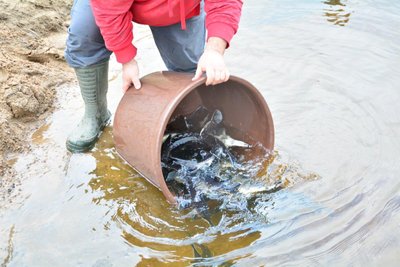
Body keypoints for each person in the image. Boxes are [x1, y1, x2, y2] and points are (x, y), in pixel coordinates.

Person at [65, 0, 243, 153]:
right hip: (108, 5)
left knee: (190, 68)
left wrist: (214, 50)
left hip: (178, 8)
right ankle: (95, 114)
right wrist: (126, 58)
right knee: (84, 33)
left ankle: (192, 125)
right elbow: (108, 8)